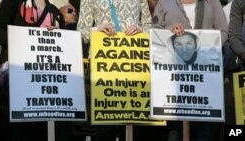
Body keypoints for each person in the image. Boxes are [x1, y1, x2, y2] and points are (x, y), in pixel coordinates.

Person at [153, 0, 228, 140]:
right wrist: (169, 33)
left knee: (204, 133)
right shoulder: (164, 3)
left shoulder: (212, 2)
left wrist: (203, 48)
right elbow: (155, 33)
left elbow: (223, 31)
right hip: (174, 81)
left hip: (205, 80)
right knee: (175, 134)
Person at [77, 0, 152, 141]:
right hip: (103, 64)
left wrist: (141, 30)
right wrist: (97, 29)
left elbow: (149, 26)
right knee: (105, 127)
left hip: (133, 62)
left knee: (132, 125)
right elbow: (81, 31)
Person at [0, 0, 64, 140]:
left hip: (42, 86)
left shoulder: (55, 13)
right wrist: (22, 39)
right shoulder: (13, 2)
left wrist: (58, 37)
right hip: (12, 82)